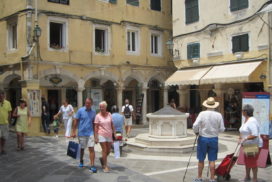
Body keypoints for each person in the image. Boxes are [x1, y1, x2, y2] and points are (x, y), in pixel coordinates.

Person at [192, 97, 225, 182]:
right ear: (214, 105)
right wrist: (216, 131)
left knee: (201, 159)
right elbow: (222, 129)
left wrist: (196, 132)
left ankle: (199, 177)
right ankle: (212, 178)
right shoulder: (218, 115)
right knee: (212, 159)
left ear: (206, 105)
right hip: (214, 139)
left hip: (203, 138)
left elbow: (195, 125)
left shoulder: (202, 114)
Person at [238, 104, 263, 182]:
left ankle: (254, 179)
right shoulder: (246, 119)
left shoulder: (252, 121)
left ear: (245, 111)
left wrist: (244, 139)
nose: (241, 112)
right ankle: (247, 177)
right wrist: (240, 138)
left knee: (252, 162)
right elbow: (242, 131)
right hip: (247, 144)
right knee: (247, 161)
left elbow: (254, 134)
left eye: (242, 110)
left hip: (253, 144)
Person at [72, 98, 97, 173]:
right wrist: (73, 131)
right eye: (86, 103)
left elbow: (94, 123)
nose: (87, 104)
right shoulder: (80, 110)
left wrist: (95, 135)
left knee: (91, 149)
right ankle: (81, 161)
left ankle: (92, 165)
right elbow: (76, 121)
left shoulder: (93, 112)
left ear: (91, 104)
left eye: (88, 103)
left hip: (90, 133)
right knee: (82, 149)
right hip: (82, 133)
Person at [94, 101, 116, 173]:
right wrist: (96, 137)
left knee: (108, 151)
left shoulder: (109, 114)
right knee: (104, 149)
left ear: (106, 107)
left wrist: (114, 133)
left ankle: (102, 159)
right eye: (100, 107)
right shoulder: (98, 116)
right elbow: (96, 127)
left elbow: (112, 124)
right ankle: (105, 166)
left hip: (109, 134)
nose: (101, 108)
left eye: (102, 107)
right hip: (101, 134)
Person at [0, 89, 12, 155]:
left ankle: (2, 148)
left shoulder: (8, 103)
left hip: (5, 123)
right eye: (0, 97)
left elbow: (9, 112)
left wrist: (9, 121)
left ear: (4, 96)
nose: (1, 98)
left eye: (2, 96)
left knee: (4, 137)